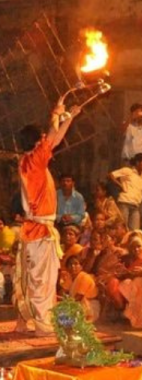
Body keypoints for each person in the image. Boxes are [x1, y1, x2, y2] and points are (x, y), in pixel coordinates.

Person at [15, 102, 81, 334]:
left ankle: (27, 321)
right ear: (35, 141)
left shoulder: (27, 161)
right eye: (40, 137)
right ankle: (43, 324)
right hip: (40, 230)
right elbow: (54, 137)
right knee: (42, 279)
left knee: (32, 277)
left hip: (36, 228)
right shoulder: (34, 161)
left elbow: (51, 136)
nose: (45, 138)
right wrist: (68, 117)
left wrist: (57, 112)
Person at [109, 154, 142, 231]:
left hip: (136, 206)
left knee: (135, 231)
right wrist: (120, 185)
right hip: (124, 202)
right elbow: (111, 175)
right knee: (122, 228)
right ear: (138, 163)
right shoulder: (128, 171)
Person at [60, 255, 100, 322]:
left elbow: (78, 298)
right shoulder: (69, 277)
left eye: (76, 264)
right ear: (67, 267)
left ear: (81, 266)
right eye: (70, 264)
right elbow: (62, 293)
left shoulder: (84, 277)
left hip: (89, 306)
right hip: (74, 303)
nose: (73, 267)